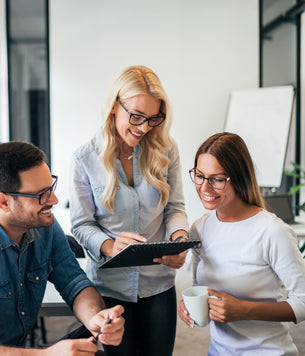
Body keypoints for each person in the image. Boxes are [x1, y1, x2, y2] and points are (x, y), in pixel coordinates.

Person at [0, 141, 124, 356]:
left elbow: (74, 282)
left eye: (51, 188)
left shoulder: (44, 226)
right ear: (3, 202)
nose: (53, 200)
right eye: (41, 194)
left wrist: (95, 317)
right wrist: (45, 355)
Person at [70, 65, 189, 356]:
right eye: (136, 116)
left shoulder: (166, 149)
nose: (144, 127)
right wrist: (110, 246)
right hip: (109, 288)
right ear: (114, 107)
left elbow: (174, 207)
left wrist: (179, 238)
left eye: (153, 118)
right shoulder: (84, 158)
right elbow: (81, 225)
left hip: (158, 284)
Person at [178, 132, 305, 355]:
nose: (204, 188)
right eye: (199, 175)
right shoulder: (199, 228)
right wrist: (189, 304)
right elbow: (202, 287)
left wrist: (243, 310)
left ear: (240, 178)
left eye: (217, 179)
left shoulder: (272, 231)